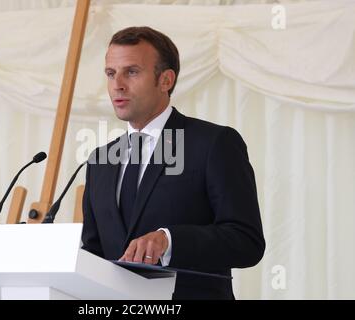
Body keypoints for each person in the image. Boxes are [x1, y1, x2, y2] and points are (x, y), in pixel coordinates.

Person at [81, 26, 265, 300]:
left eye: (131, 72)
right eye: (110, 73)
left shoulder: (214, 143)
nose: (117, 84)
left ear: (166, 79)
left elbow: (246, 241)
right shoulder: (100, 159)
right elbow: (94, 252)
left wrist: (170, 240)